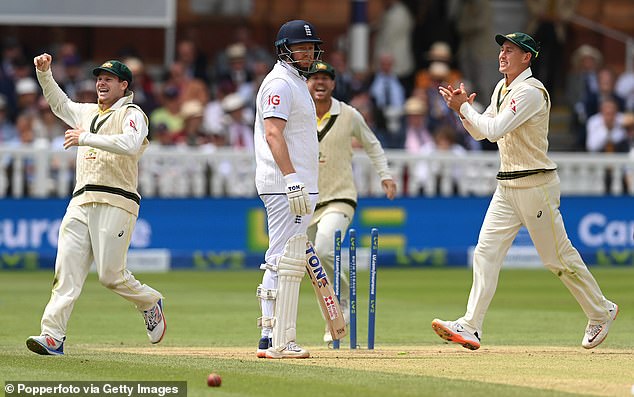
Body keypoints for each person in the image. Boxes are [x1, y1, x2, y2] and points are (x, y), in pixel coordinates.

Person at [432, 32, 618, 351]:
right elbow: (480, 134)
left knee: (556, 258)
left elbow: (493, 130)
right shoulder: (502, 88)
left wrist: (465, 109)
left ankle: (601, 311)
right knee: (485, 252)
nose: (502, 55)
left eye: (510, 51)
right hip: (507, 185)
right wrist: (461, 110)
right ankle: (471, 325)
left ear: (527, 57)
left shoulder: (530, 92)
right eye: (502, 50)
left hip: (535, 184)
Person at [26, 54, 166, 355]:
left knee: (110, 276)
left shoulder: (133, 113)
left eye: (109, 79)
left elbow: (130, 144)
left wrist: (86, 138)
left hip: (117, 199)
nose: (101, 82)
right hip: (80, 199)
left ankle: (149, 300)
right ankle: (53, 335)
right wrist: (45, 74)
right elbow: (59, 104)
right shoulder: (87, 112)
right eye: (99, 78)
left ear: (123, 85)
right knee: (66, 271)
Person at [305, 61, 397, 343]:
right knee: (312, 264)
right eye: (314, 78)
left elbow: (372, 144)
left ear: (333, 84)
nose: (320, 83)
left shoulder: (348, 114)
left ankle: (343, 301)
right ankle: (333, 319)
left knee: (324, 248)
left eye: (325, 78)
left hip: (340, 197)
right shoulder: (298, 115)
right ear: (307, 84)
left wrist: (386, 175)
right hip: (306, 202)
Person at [254, 19, 323, 359]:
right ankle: (276, 339)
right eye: (301, 47)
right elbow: (272, 133)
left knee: (286, 259)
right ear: (285, 49)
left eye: (311, 47)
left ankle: (273, 338)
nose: (308, 52)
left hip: (297, 185)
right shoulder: (280, 82)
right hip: (286, 186)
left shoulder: (295, 82)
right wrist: (292, 177)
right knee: (282, 259)